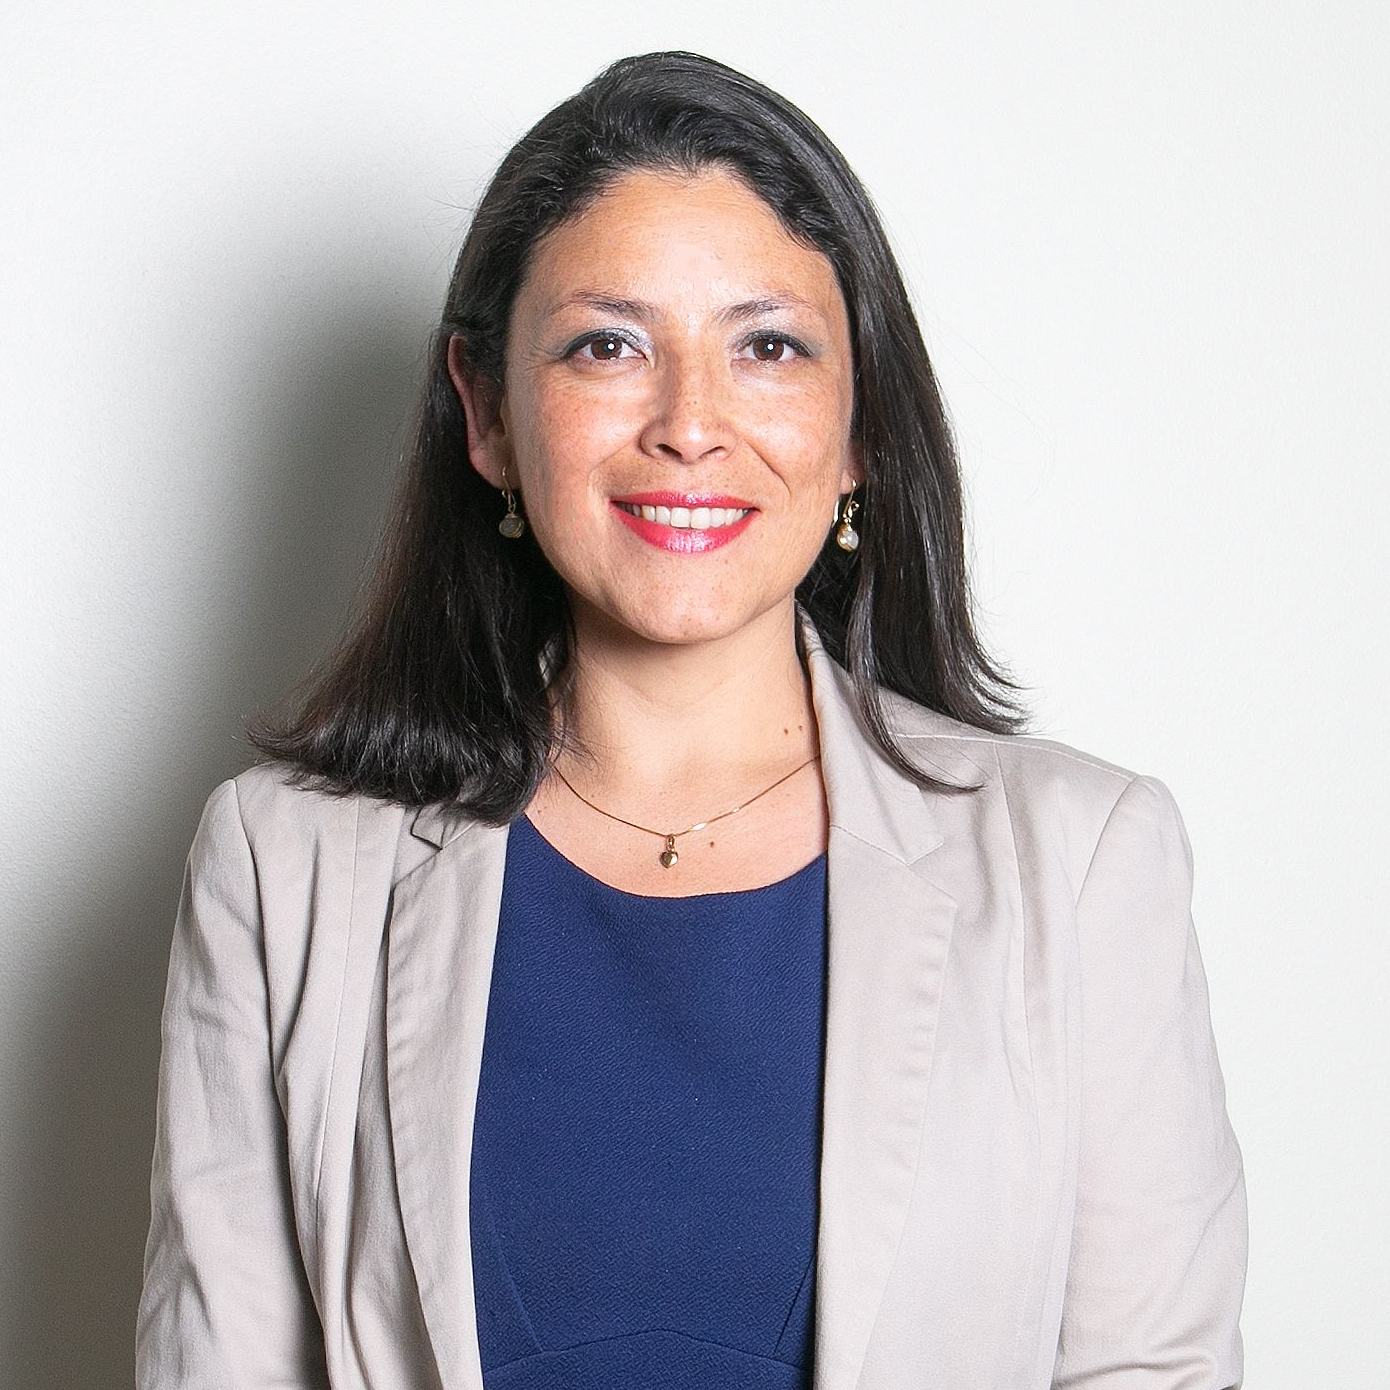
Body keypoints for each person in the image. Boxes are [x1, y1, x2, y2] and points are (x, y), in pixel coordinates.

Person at [135, 50, 1248, 1390]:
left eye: (767, 345)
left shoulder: (1081, 860)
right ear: (487, 413)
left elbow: (1150, 1366)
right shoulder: (283, 866)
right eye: (607, 345)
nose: (690, 425)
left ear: (861, 428)